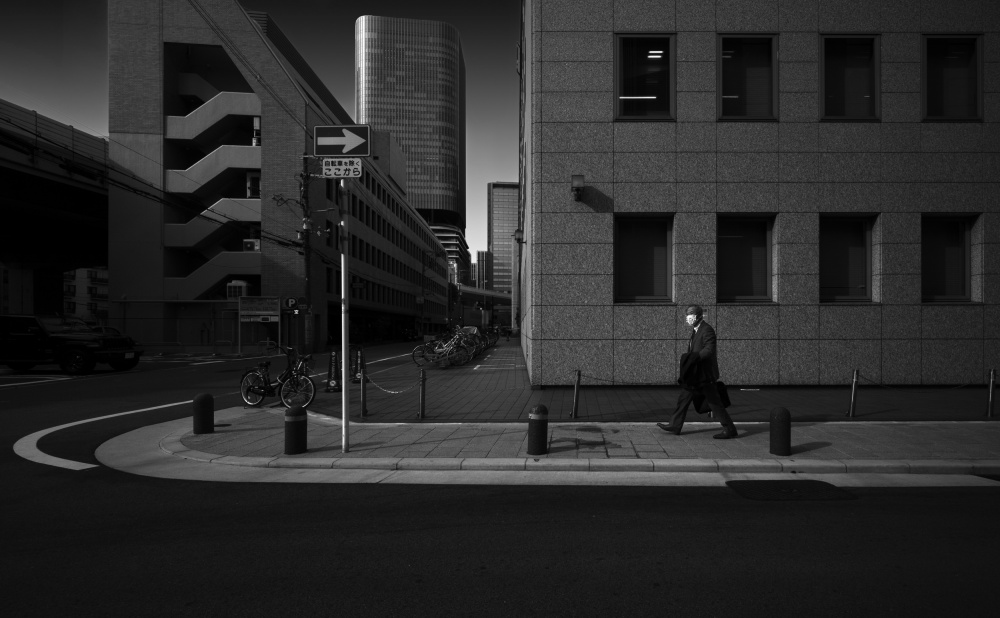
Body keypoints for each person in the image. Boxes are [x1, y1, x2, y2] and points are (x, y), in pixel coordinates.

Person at [657, 305, 739, 439]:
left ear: (697, 316)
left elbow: (709, 349)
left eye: (690, 314)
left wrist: (693, 359)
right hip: (696, 375)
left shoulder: (707, 330)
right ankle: (675, 425)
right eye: (687, 314)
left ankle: (730, 429)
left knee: (714, 402)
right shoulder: (696, 331)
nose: (687, 317)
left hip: (705, 375)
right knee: (683, 398)